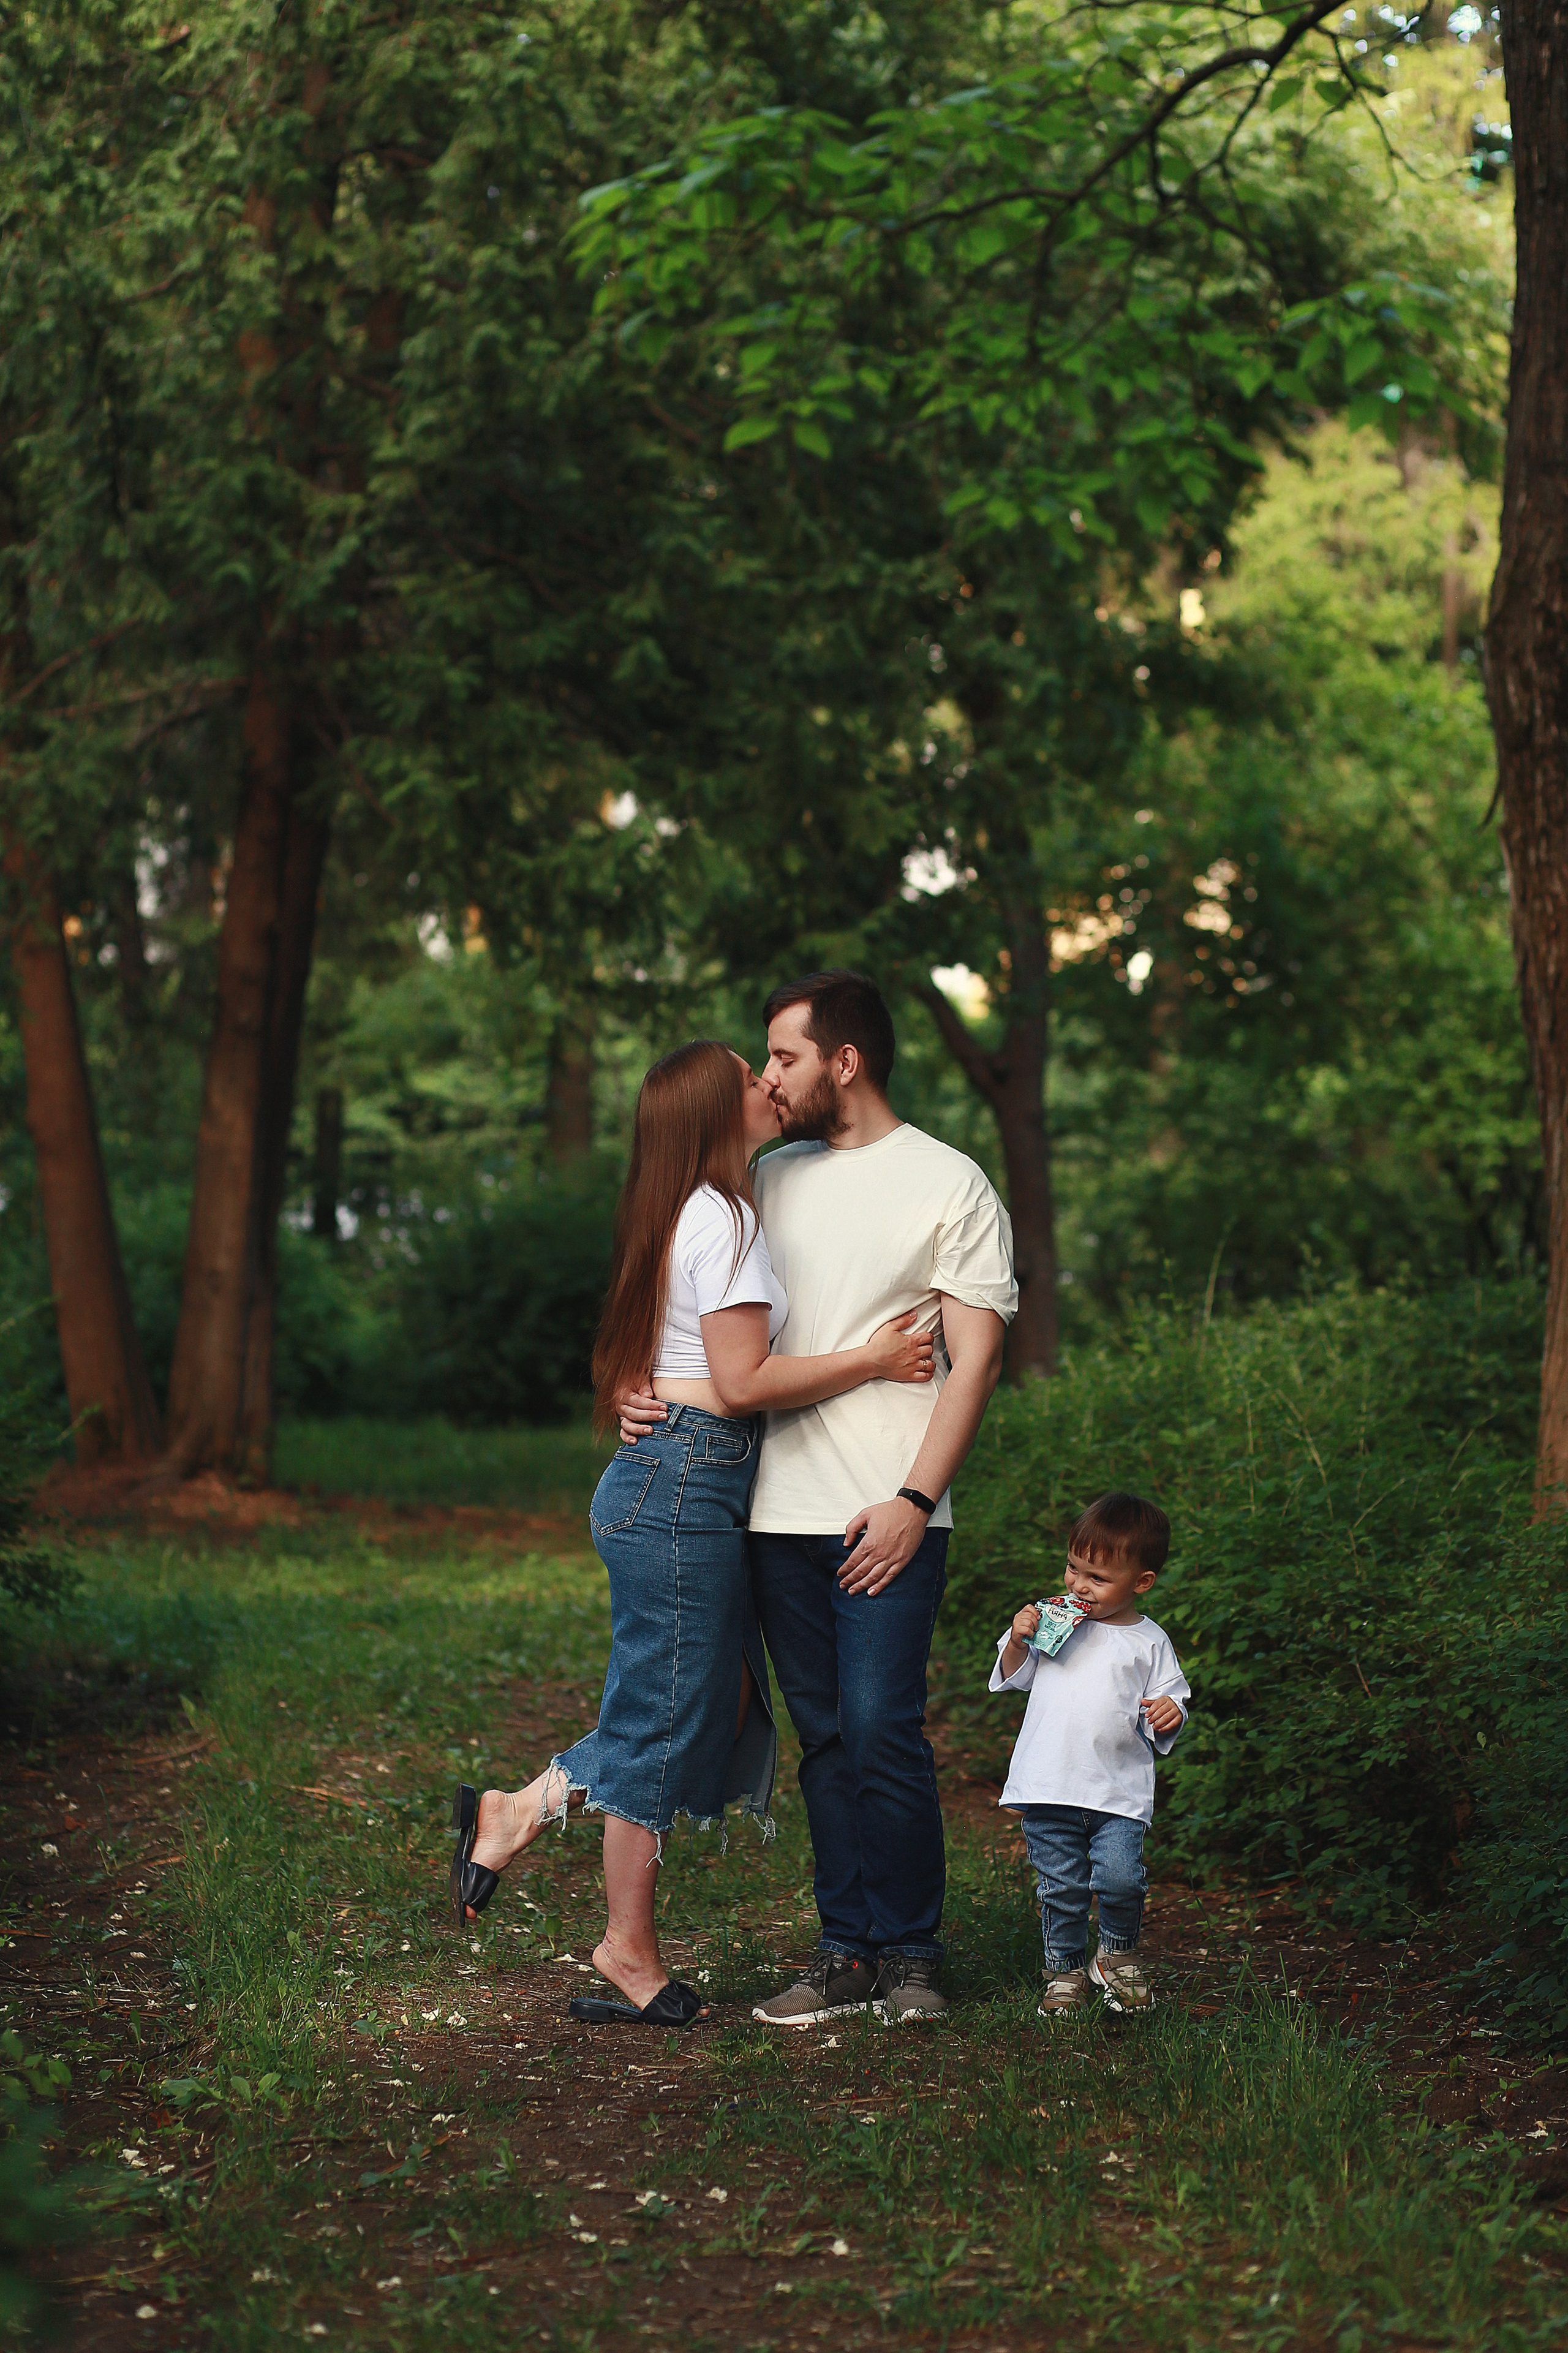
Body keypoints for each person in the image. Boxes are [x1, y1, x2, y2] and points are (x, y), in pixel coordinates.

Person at [447, 1037, 936, 2028]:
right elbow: (744, 1382)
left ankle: (517, 1810)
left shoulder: (706, 1209)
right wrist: (874, 1361)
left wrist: (653, 1396)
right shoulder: (723, 1217)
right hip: (683, 1481)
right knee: (668, 1714)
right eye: (749, 1078)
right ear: (717, 1114)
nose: (767, 1084)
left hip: (685, 1475)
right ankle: (625, 1946)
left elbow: (683, 1362)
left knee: (699, 1707)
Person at [621, 970, 1017, 2025]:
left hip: (887, 1511)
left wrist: (914, 1495)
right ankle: (846, 1952)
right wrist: (647, 1393)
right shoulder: (766, 1176)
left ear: (844, 1061)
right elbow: (703, 1314)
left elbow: (973, 1362)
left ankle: (914, 1956)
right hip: (769, 1512)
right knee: (826, 1738)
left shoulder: (950, 1182)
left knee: (886, 1727)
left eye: (785, 1057)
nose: (770, 1077)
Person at [990, 1492, 1190, 2017]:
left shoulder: (1150, 1641)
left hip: (1116, 1790)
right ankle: (1064, 1972)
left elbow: (1172, 1700)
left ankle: (1117, 1956)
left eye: (1098, 1578)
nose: (1079, 1585)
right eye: (1073, 1568)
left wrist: (1172, 1711)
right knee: (1062, 1887)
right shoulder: (1054, 1619)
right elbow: (1014, 1675)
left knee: (1123, 1877)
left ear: (1140, 1582)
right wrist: (1016, 1637)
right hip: (1050, 1783)